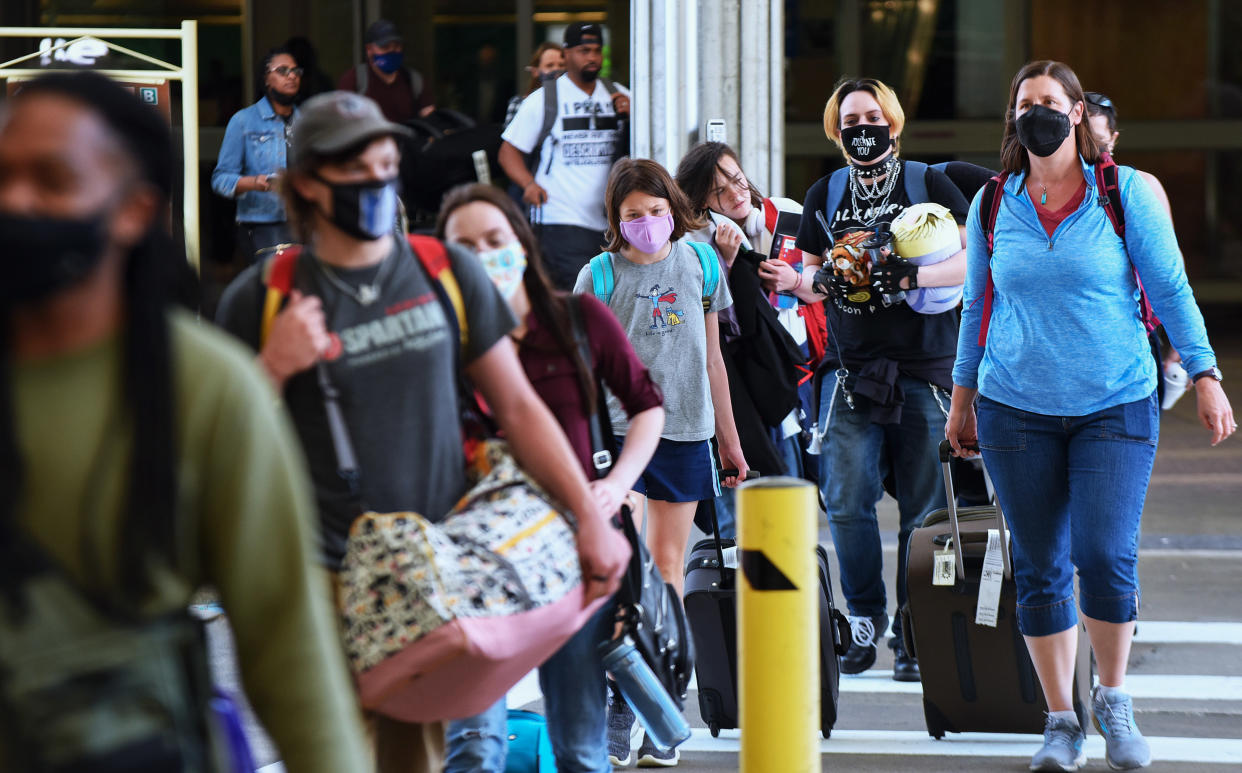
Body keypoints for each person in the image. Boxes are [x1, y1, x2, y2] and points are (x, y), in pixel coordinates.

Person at [215, 91, 628, 773]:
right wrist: (272, 367)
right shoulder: (262, 297)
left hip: (424, 574)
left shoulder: (444, 271)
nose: (380, 180)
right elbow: (222, 451)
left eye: (386, 163)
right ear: (310, 184)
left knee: (414, 761)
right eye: (359, 169)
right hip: (314, 579)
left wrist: (590, 516)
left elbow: (519, 408)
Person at [0, 72, 369, 771]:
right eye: (3, 175)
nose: (16, 200)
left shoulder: (205, 386)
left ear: (135, 209)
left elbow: (288, 649)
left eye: (51, 179)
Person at [945, 60, 1235, 772]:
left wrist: (1206, 374)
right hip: (1015, 407)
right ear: (1012, 119)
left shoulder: (1123, 193)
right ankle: (1061, 719)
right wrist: (962, 398)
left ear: (1077, 112)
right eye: (1024, 104)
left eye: (1049, 101)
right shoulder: (992, 202)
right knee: (1041, 565)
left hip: (1116, 399)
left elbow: (1169, 288)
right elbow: (976, 307)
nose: (1036, 113)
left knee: (1105, 553)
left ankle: (1113, 697)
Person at [437, 183, 664, 772]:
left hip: (574, 558)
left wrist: (615, 488)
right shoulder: (438, 344)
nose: (484, 255)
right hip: (475, 567)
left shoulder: (576, 320)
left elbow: (646, 406)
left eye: (496, 239)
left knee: (580, 749)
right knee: (473, 748)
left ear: (522, 242)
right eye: (465, 247)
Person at [779, 77, 971, 683]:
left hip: (926, 367)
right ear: (837, 131)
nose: (864, 127)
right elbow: (809, 279)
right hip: (851, 368)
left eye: (873, 115)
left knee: (925, 506)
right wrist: (822, 283)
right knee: (845, 498)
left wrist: (909, 279)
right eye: (851, 118)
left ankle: (913, 628)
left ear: (892, 120)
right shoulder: (824, 192)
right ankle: (864, 617)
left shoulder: (928, 183)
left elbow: (977, 257)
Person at [575, 158, 747, 767]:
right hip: (620, 443)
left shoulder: (700, 263)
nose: (646, 224)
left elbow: (714, 360)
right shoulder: (597, 276)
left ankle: (658, 706)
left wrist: (729, 439)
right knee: (628, 572)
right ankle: (622, 701)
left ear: (674, 209)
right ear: (615, 222)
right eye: (632, 216)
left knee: (669, 572)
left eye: (655, 212)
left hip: (685, 435)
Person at [675, 141, 813, 537]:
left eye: (737, 180)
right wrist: (731, 264)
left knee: (785, 499)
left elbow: (821, 290)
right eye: (720, 190)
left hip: (778, 382)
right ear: (700, 198)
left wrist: (796, 281)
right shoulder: (696, 245)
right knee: (750, 510)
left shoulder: (776, 219)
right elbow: (729, 326)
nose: (736, 193)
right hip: (733, 395)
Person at [500, 22, 632, 290]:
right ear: (567, 53)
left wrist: (632, 116)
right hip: (561, 220)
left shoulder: (617, 93)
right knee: (579, 301)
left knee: (612, 300)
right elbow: (508, 151)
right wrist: (528, 184)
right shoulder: (545, 99)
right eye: (584, 50)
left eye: (597, 50)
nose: (593, 57)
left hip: (613, 222)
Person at [1084, 90, 1188, 409]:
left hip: (1131, 348)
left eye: (1098, 143)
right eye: (1080, 140)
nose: (1088, 152)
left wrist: (1183, 344)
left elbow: (1170, 274)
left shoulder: (1138, 187)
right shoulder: (1037, 193)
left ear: (1113, 140)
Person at [211, 46, 301, 261]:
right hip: (262, 223)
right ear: (266, 79)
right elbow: (220, 180)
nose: (291, 76)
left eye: (296, 71)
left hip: (305, 222)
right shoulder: (243, 121)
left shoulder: (309, 121)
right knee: (275, 290)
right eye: (282, 71)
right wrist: (255, 182)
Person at [338, 19, 436, 123]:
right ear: (369, 50)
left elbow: (429, 119)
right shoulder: (354, 80)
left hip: (406, 138)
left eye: (396, 47)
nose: (391, 52)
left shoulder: (414, 81)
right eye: (385, 47)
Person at [504, 42, 564, 129]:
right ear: (535, 71)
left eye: (561, 65)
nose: (556, 70)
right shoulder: (520, 104)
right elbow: (512, 140)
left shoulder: (575, 100)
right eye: (549, 65)